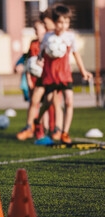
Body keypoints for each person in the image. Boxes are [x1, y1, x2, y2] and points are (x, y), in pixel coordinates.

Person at [34, 4, 93, 144]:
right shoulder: (48, 37)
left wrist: (83, 71)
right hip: (51, 76)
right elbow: (41, 52)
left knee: (68, 101)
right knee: (47, 102)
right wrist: (39, 60)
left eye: (66, 22)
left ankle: (65, 132)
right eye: (60, 22)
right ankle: (38, 119)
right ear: (54, 22)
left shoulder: (70, 37)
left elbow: (76, 54)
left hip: (65, 75)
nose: (63, 25)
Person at [16, 9, 59, 142]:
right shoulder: (34, 44)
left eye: (38, 29)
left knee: (51, 104)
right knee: (34, 102)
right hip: (38, 79)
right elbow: (29, 62)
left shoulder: (52, 43)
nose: (36, 32)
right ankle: (30, 128)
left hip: (51, 78)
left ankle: (54, 130)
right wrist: (28, 78)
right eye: (35, 29)